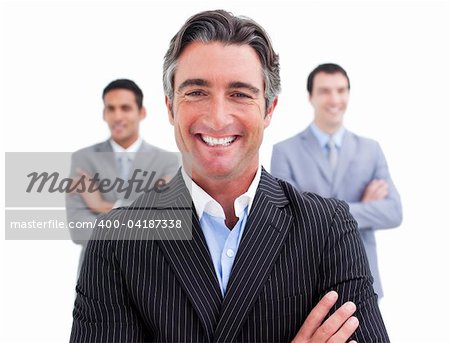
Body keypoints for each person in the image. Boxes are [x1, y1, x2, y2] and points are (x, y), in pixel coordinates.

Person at [70, 11, 389, 342]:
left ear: (268, 109)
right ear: (170, 107)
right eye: (196, 92)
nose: (218, 117)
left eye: (239, 93)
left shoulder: (327, 227)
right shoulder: (115, 242)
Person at [271, 63, 402, 298]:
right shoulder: (285, 151)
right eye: (325, 91)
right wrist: (363, 207)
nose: (334, 99)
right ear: (311, 97)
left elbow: (393, 212)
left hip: (364, 279)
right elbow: (287, 217)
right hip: (307, 281)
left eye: (341, 90)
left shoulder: (371, 149)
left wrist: (316, 210)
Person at [65, 79, 179, 274]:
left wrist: (103, 207)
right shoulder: (83, 160)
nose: (117, 116)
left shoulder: (168, 162)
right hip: (96, 274)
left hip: (149, 275)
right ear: (104, 114)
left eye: (125, 108)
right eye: (111, 108)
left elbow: (168, 227)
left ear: (141, 112)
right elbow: (78, 230)